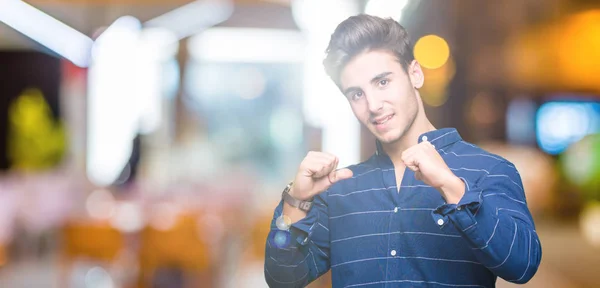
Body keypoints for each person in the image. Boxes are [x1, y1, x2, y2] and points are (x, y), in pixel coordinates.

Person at [264, 14, 541, 288]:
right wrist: (295, 202)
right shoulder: (340, 190)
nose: (373, 105)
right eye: (356, 94)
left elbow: (522, 265)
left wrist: (451, 187)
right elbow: (282, 279)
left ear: (415, 74)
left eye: (382, 82)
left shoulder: (488, 170)